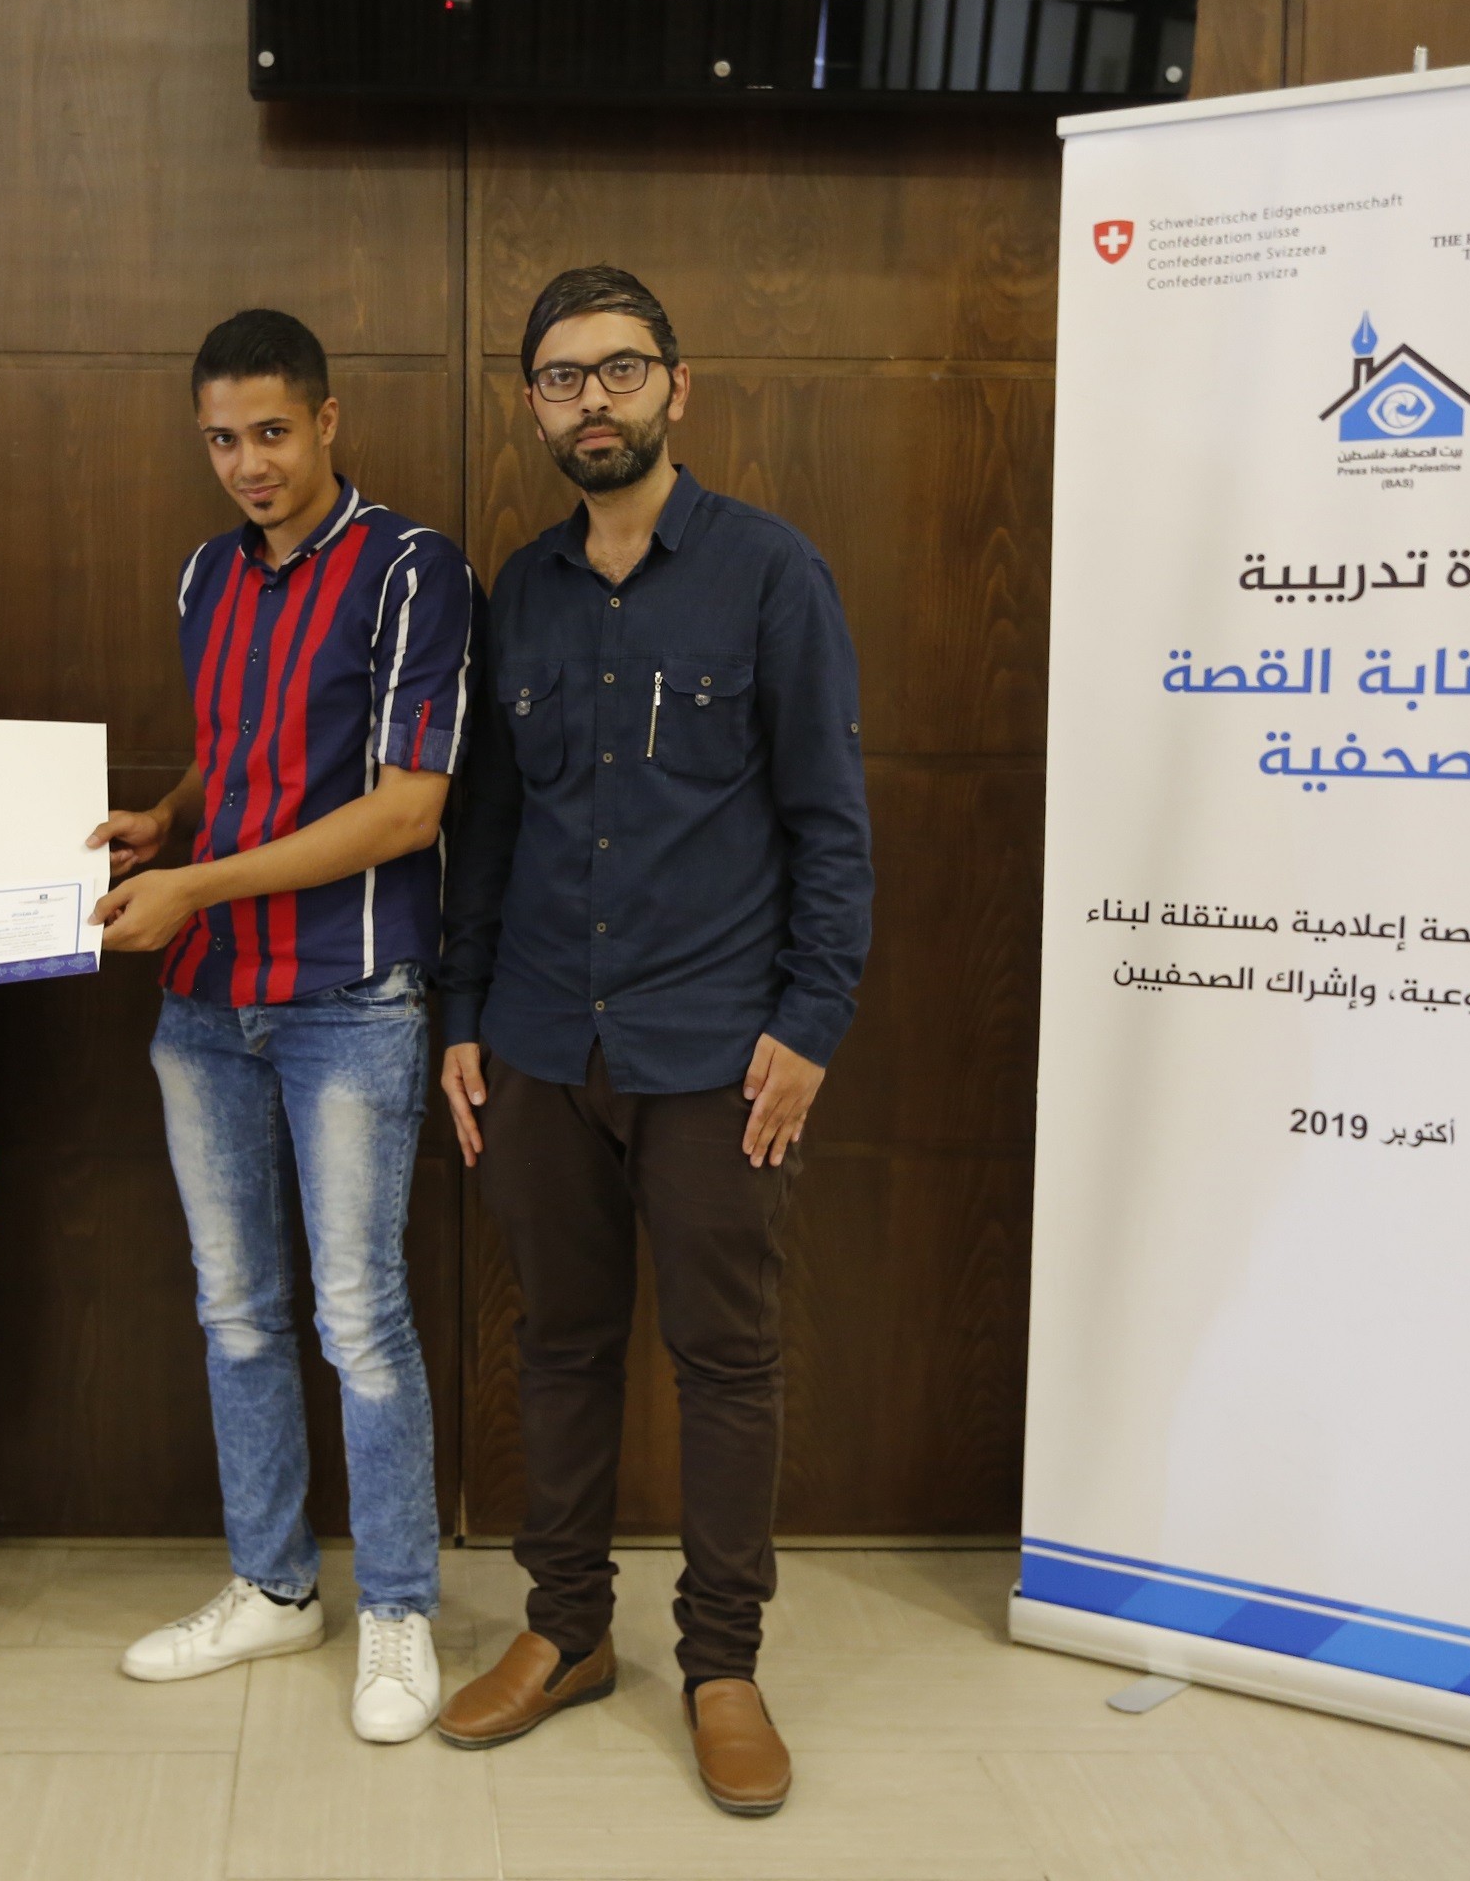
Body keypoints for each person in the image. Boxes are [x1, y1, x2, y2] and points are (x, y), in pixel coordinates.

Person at [431, 268, 873, 1816]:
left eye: (619, 370)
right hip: (542, 1043)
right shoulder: (522, 590)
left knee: (725, 1361)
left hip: (715, 1054)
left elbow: (830, 822)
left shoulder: (770, 573)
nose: (592, 401)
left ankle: (722, 1665)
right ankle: (565, 1633)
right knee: (557, 1348)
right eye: (562, 378)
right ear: (535, 406)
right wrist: (464, 1013)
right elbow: (488, 825)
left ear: (675, 387)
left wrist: (811, 1022)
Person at [92, 309, 471, 1743]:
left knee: (359, 1319)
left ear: (326, 422)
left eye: (269, 432)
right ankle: (272, 1586)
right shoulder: (205, 573)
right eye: (220, 440)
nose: (247, 463)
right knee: (235, 1312)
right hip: (206, 1004)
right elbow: (237, 747)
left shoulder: (414, 569)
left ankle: (397, 1612)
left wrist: (192, 883)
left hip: (348, 999)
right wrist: (168, 819)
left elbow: (406, 809)